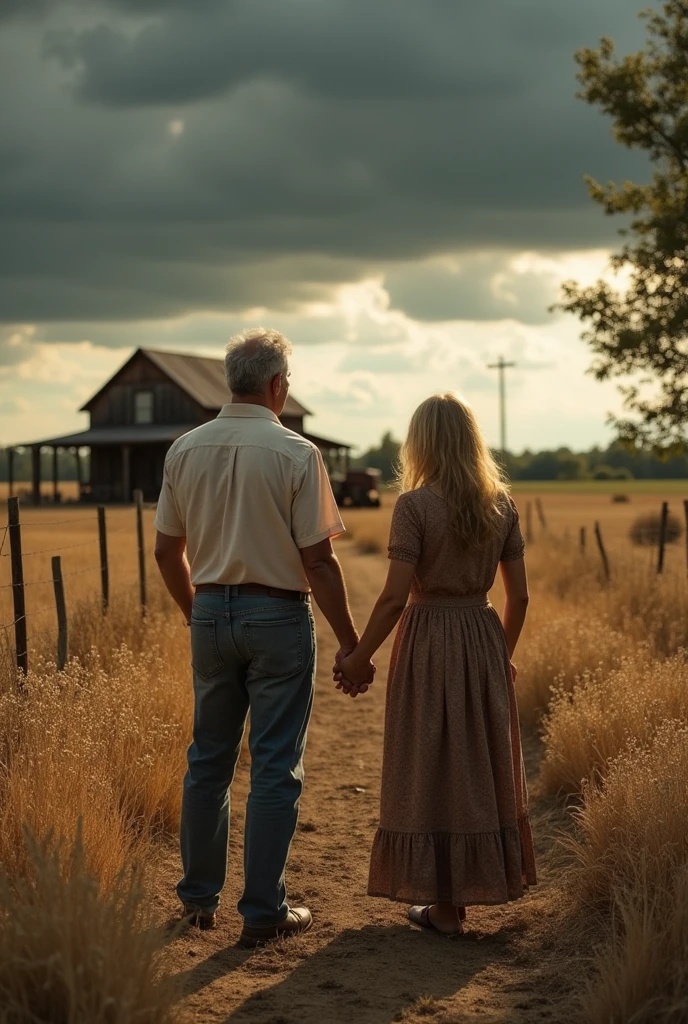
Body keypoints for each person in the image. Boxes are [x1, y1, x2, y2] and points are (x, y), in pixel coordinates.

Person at [154, 327, 374, 948]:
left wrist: (194, 610)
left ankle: (198, 901)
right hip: (277, 617)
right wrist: (352, 645)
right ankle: (262, 910)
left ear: (233, 381)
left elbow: (166, 552)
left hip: (210, 612)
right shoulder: (296, 453)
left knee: (208, 762)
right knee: (275, 767)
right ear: (278, 385)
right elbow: (321, 563)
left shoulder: (183, 450)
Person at [334, 393, 536, 936]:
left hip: (427, 643)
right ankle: (458, 901)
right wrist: (501, 657)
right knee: (473, 765)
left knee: (429, 763)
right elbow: (520, 598)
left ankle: (445, 907)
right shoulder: (502, 506)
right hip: (481, 635)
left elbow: (395, 598)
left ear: (420, 443)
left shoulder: (415, 505)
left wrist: (357, 659)